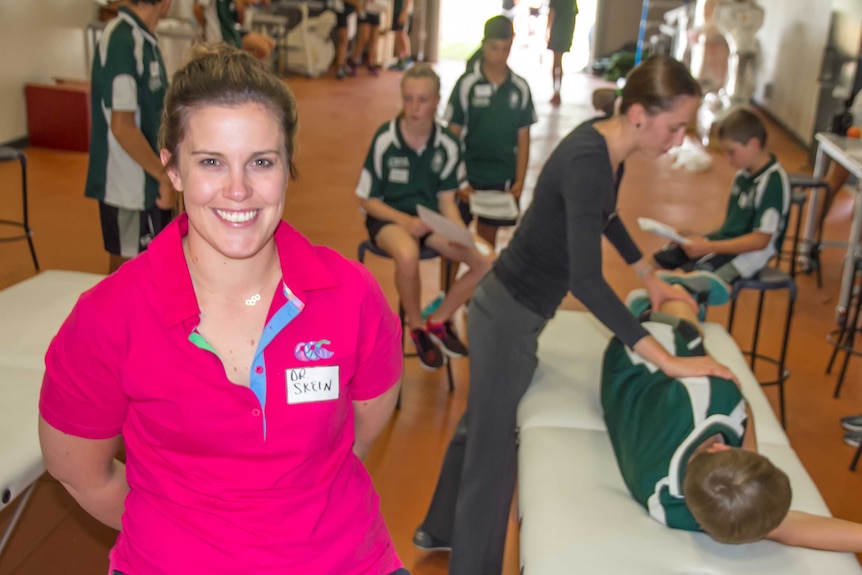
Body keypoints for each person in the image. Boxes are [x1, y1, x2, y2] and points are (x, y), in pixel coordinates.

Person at [39, 44, 406, 575]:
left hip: (340, 558)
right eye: (212, 162)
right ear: (173, 170)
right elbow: (79, 471)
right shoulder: (109, 316)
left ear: (287, 168)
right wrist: (188, 530)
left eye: (261, 162)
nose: (239, 190)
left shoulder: (352, 297)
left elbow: (361, 433)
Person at [414, 55, 734, 575]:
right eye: (674, 127)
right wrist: (667, 362)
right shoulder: (590, 159)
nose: (678, 140)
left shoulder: (605, 147)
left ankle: (439, 527)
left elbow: (602, 215)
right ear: (637, 113)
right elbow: (586, 282)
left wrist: (647, 271)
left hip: (512, 309)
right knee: (493, 463)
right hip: (508, 318)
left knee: (481, 427)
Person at [605, 282, 862, 551]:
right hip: (634, 380)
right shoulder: (675, 509)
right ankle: (678, 290)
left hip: (634, 351)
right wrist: (748, 457)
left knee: (693, 341)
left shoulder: (718, 397)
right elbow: (786, 528)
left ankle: (673, 291)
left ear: (722, 448)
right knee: (693, 335)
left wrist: (749, 456)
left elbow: (742, 406)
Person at [356, 64, 495, 370]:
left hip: (429, 220)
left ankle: (440, 319)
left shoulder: (448, 144)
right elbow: (367, 199)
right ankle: (417, 328)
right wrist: (405, 223)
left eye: (422, 99)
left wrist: (459, 234)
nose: (414, 107)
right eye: (408, 99)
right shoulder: (385, 139)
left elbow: (447, 201)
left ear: (436, 101)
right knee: (407, 254)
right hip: (389, 217)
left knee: (486, 261)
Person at [85, 0, 177, 274]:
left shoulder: (145, 39)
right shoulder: (121, 40)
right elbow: (122, 126)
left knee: (156, 267)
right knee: (125, 272)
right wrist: (161, 176)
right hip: (127, 185)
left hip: (151, 176)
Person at [653, 107, 790, 287]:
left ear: (754, 144)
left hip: (745, 257)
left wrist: (707, 247)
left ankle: (680, 311)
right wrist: (697, 235)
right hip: (723, 244)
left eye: (732, 152)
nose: (728, 159)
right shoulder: (743, 176)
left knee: (687, 281)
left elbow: (760, 241)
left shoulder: (772, 183)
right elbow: (731, 223)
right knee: (662, 260)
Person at [446, 15, 536, 249]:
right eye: (495, 48)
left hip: (499, 178)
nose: (500, 56)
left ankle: (479, 286)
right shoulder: (467, 84)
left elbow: (524, 139)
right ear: (484, 45)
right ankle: (447, 287)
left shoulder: (520, 88)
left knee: (486, 246)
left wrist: (520, 180)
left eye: (506, 49)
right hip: (468, 176)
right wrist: (458, 180)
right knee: (456, 242)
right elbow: (452, 137)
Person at [193, 0, 276, 61]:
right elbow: (197, 8)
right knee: (262, 48)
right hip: (219, 35)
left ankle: (241, 69)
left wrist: (242, 5)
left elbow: (239, 21)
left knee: (270, 43)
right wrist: (207, 28)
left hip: (233, 30)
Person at [546, 0, 578, 106]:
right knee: (559, 63)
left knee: (556, 63)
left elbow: (551, 14)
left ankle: (555, 91)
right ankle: (557, 91)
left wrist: (547, 30)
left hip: (557, 32)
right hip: (565, 32)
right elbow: (574, 18)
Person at [333, 0, 364, 79]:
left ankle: (343, 63)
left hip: (351, 12)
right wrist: (355, 3)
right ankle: (340, 66)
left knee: (348, 39)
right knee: (343, 38)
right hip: (341, 10)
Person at [350, 7, 382, 76]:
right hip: (365, 9)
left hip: (376, 10)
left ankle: (371, 64)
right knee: (364, 37)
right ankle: (353, 61)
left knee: (374, 39)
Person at [389, 0, 413, 71]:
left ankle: (407, 59)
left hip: (402, 12)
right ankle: (400, 59)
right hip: (396, 11)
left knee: (402, 33)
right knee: (398, 34)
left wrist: (404, 12)